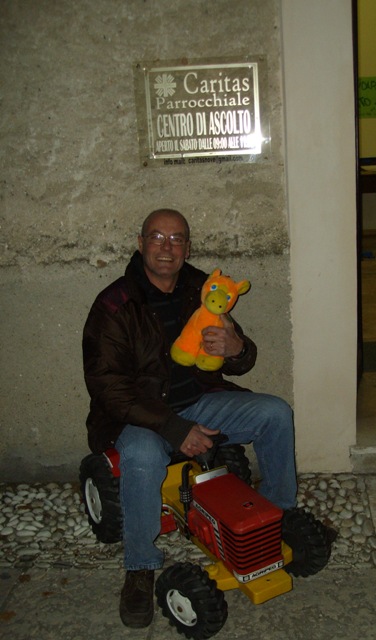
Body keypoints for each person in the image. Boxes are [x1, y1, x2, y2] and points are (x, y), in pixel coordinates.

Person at [82, 208, 298, 628]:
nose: (167, 247)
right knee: (143, 458)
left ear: (187, 247)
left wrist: (238, 348)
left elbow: (240, 357)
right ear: (140, 243)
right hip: (140, 418)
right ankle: (140, 566)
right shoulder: (115, 304)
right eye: (157, 237)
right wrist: (173, 428)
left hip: (201, 401)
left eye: (176, 239)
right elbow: (108, 386)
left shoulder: (203, 289)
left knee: (275, 413)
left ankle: (277, 517)